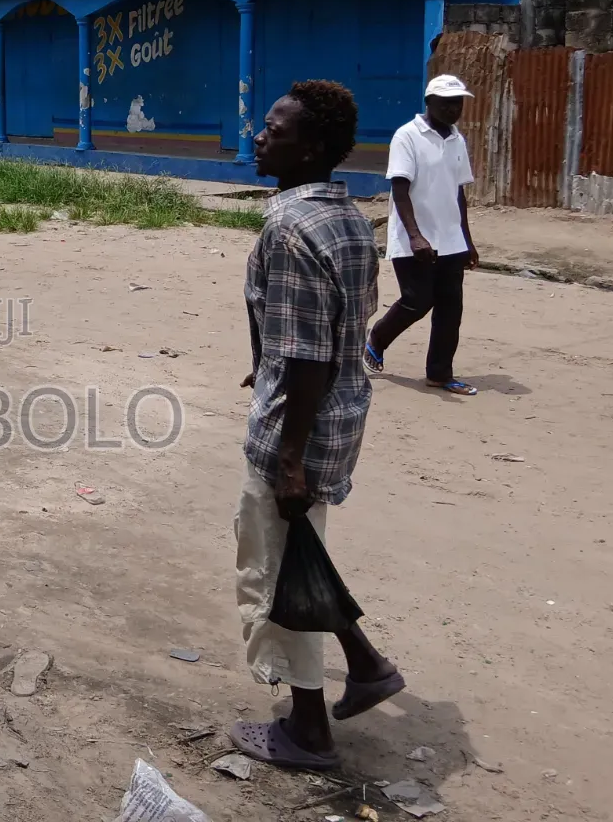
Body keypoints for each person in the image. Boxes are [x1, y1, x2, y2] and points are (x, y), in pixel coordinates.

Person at [228, 79, 404, 772]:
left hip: (295, 433)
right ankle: (366, 665)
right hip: (335, 417)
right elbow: (327, 330)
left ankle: (308, 731)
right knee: (301, 551)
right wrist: (268, 364)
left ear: (315, 148)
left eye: (277, 129)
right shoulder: (347, 215)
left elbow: (306, 356)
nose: (261, 136)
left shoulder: (289, 226)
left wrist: (289, 458)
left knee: (274, 573)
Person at [363, 75, 480, 395]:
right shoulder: (407, 136)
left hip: (450, 239)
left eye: (458, 103)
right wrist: (415, 236)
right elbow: (400, 190)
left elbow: (459, 194)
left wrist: (467, 240)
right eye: (447, 103)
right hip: (413, 237)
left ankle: (440, 374)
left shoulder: (457, 140)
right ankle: (377, 338)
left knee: (450, 308)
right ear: (429, 103)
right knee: (417, 300)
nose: (454, 109)